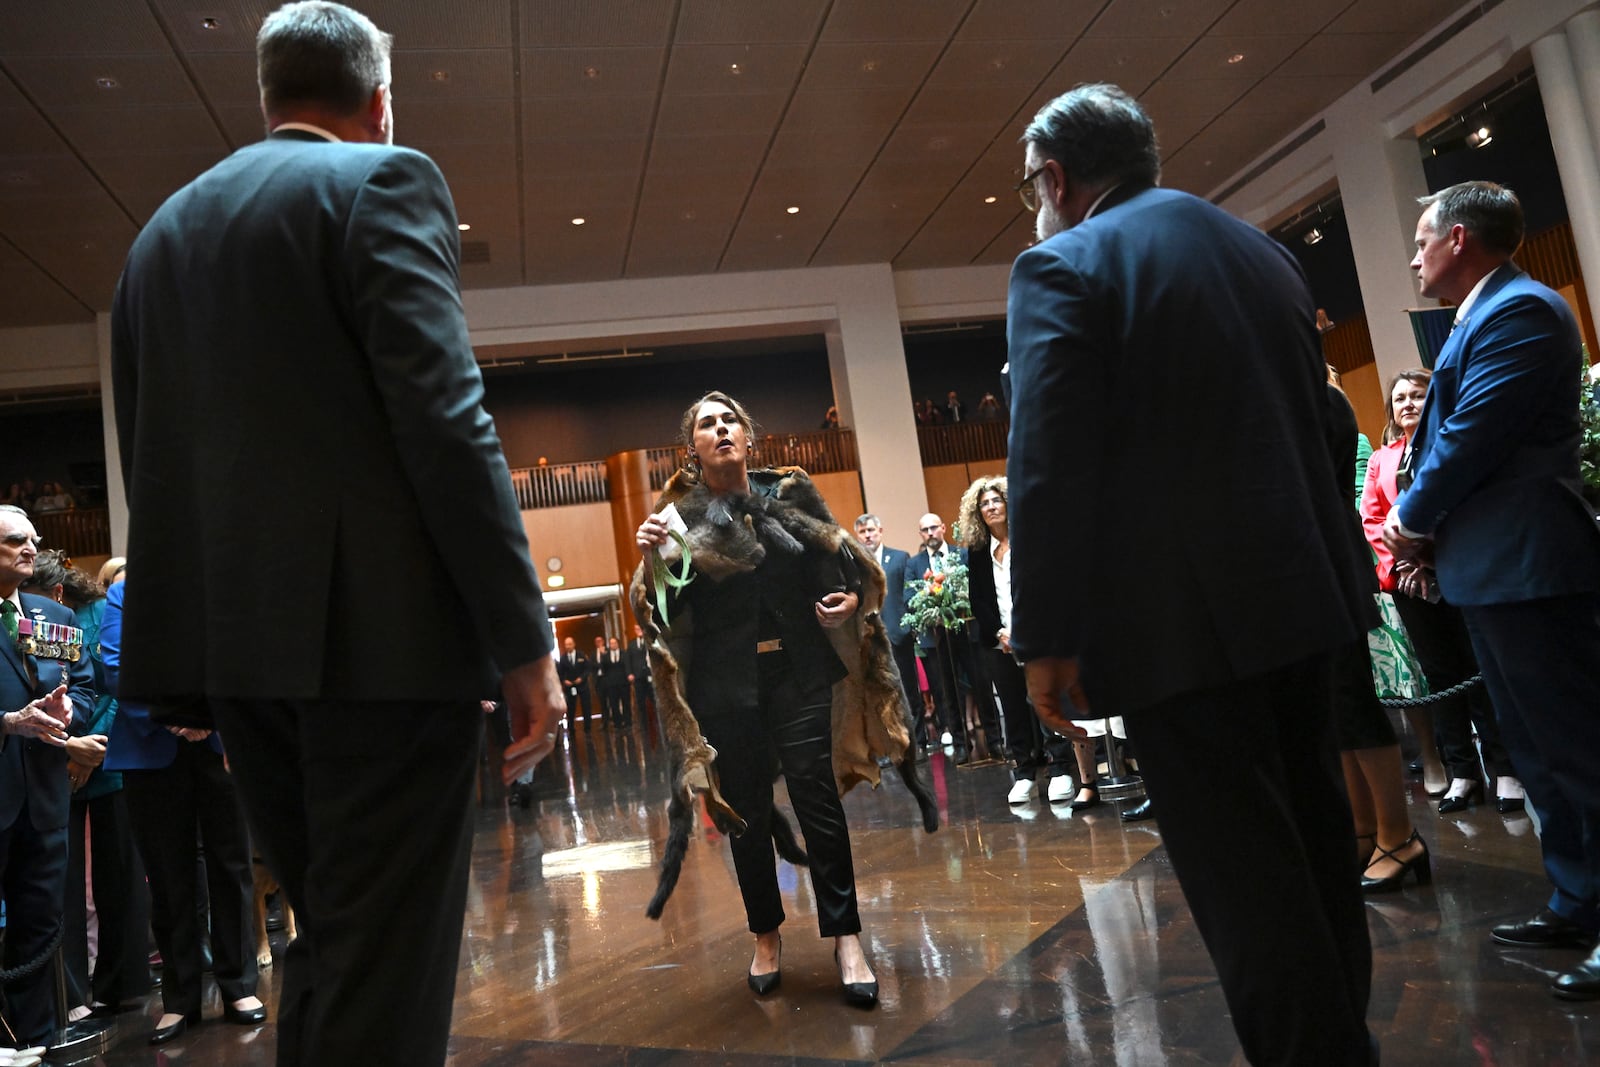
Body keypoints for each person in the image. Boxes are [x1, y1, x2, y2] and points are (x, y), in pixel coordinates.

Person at [107, 4, 565, 1062]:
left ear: (267, 97)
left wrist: (186, 665)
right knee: (388, 964)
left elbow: (152, 456)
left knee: (327, 940)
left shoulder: (159, 235)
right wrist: (519, 634)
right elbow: (446, 419)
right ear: (380, 102)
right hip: (385, 654)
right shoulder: (382, 180)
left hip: (240, 666)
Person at [1006, 85, 1378, 1065]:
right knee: (1316, 847)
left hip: (1180, 634)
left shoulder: (1063, 264)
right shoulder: (1257, 250)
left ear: (1055, 177)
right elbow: (1317, 423)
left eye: (1030, 186)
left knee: (1246, 883)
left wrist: (1044, 635)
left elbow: (1047, 464)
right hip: (1305, 600)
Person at [631, 391, 932, 1007]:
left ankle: (846, 936)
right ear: (693, 447)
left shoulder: (791, 494)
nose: (719, 431)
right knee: (745, 812)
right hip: (725, 686)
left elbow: (836, 565)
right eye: (706, 425)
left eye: (728, 421)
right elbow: (669, 610)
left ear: (748, 436)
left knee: (816, 799)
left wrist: (847, 598)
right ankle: (765, 934)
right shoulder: (681, 516)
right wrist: (652, 560)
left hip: (797, 672)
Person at [1384, 180, 1600, 1001]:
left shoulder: (1520, 310)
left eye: (1422, 239)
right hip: (1492, 563)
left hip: (1529, 560)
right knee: (1537, 748)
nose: (1414, 254)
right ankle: (1578, 898)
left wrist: (1410, 516)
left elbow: (1472, 436)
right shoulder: (1484, 311)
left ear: (1461, 238)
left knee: (1579, 745)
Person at [99, 574, 263, 1044]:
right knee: (168, 877)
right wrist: (173, 715)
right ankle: (180, 998)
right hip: (151, 745)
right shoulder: (128, 590)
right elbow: (115, 665)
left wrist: (206, 715)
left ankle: (239, 985)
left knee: (232, 866)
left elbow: (247, 660)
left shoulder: (229, 582)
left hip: (221, 743)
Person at [1361, 369, 1521, 815]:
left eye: (1417, 395)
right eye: (1400, 398)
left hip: (1456, 569)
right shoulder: (1381, 459)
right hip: (1409, 582)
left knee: (1477, 669)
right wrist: (1402, 560)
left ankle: (1506, 769)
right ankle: (1463, 772)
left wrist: (1430, 552)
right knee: (1440, 677)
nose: (1408, 403)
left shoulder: (1446, 446)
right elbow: (1373, 519)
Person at [18, 552, 151, 1019]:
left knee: (121, 877)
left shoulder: (95, 613)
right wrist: (69, 746)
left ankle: (125, 982)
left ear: (57, 593)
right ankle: (73, 993)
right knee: (64, 884)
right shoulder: (24, 619)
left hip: (108, 757)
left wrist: (93, 751)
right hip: (57, 757)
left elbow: (111, 687)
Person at [0, 505, 93, 1050]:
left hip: (44, 798)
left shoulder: (51, 614)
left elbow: (82, 687)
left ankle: (35, 1044)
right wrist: (8, 722)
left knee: (39, 928)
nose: (31, 548)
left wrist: (67, 714)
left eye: (33, 539)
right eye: (16, 540)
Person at [954, 477, 1074, 805]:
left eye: (996, 501)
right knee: (1012, 706)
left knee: (1046, 702)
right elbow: (979, 599)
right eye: (984, 504)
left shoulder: (1028, 541)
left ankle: (1060, 767)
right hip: (999, 642)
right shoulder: (978, 553)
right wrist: (1000, 632)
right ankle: (1024, 770)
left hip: (1036, 639)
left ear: (1008, 504)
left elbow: (1043, 587)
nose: (991, 507)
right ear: (977, 513)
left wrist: (1026, 631)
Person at [852, 514, 925, 751]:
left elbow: (909, 597)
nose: (868, 535)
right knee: (878, 695)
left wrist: (908, 629)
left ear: (880, 531)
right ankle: (887, 747)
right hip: (869, 640)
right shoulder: (853, 564)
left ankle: (918, 741)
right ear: (857, 536)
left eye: (871, 530)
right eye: (863, 532)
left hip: (898, 635)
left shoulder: (899, 558)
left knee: (908, 690)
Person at [557, 635, 592, 731]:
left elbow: (587, 669)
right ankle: (571, 727)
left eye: (569, 644)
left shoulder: (581, 655)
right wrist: (564, 680)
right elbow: (560, 673)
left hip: (582, 685)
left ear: (574, 644)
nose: (568, 646)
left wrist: (582, 678)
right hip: (570, 687)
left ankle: (587, 727)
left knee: (586, 706)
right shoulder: (563, 659)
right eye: (566, 644)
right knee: (571, 708)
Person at [624, 624, 653, 727]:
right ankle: (643, 724)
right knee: (640, 701)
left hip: (650, 676)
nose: (638, 630)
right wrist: (629, 674)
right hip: (637, 677)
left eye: (640, 628)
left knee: (654, 699)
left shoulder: (649, 642)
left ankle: (657, 721)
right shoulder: (631, 645)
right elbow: (628, 661)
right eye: (636, 629)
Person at [598, 636, 630, 727]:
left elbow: (627, 666)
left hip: (623, 682)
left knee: (625, 703)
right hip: (611, 684)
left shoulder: (624, 653)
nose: (613, 645)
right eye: (611, 643)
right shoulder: (606, 656)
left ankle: (627, 721)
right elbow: (603, 669)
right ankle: (617, 722)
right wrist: (602, 655)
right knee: (614, 703)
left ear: (618, 644)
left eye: (614, 643)